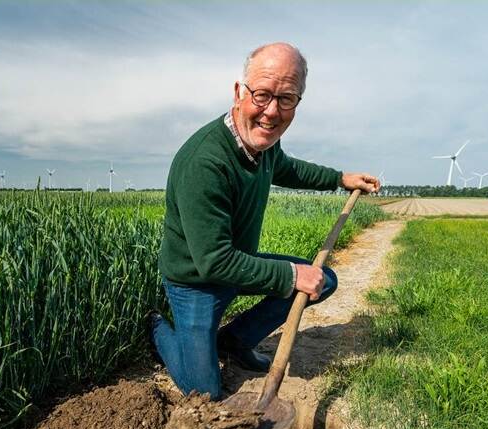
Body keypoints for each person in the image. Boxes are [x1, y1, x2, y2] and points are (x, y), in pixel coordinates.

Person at [149, 42, 380, 400]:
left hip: (237, 265)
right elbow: (213, 261)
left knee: (322, 281)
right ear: (239, 92)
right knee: (206, 394)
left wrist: (340, 178)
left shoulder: (264, 145)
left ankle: (233, 341)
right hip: (195, 281)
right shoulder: (205, 162)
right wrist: (290, 275)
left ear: (297, 102)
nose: (272, 111)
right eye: (262, 95)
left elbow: (290, 169)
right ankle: (159, 329)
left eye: (286, 98)